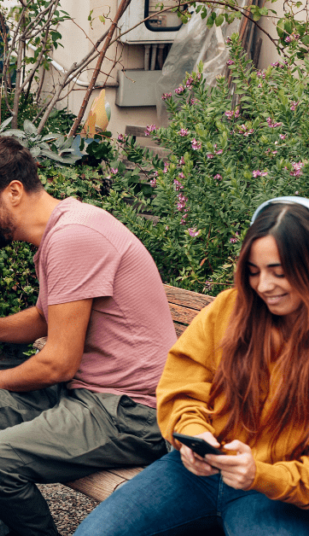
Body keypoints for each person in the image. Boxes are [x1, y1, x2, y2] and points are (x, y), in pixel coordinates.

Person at [0, 135, 175, 536]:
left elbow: (58, 361)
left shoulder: (73, 237)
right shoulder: (60, 232)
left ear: (13, 192)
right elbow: (48, 318)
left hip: (131, 410)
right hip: (86, 392)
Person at [75, 198, 309, 535]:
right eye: (253, 272)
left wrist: (260, 474)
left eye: (280, 273)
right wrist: (193, 436)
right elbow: (182, 384)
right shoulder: (230, 308)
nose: (263, 286)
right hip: (197, 472)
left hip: (275, 493)